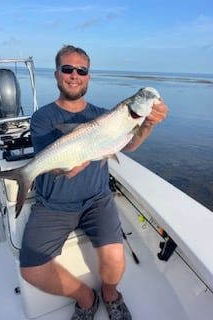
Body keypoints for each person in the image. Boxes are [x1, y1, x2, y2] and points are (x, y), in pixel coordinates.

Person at [19, 45, 168, 320]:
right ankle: (86, 298)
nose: (74, 75)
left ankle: (111, 294)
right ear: (56, 74)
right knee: (30, 269)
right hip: (53, 204)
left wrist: (146, 124)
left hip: (97, 200)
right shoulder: (43, 117)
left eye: (81, 70)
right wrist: (64, 169)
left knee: (115, 260)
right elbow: (50, 160)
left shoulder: (105, 114)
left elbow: (129, 144)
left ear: (88, 77)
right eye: (68, 69)